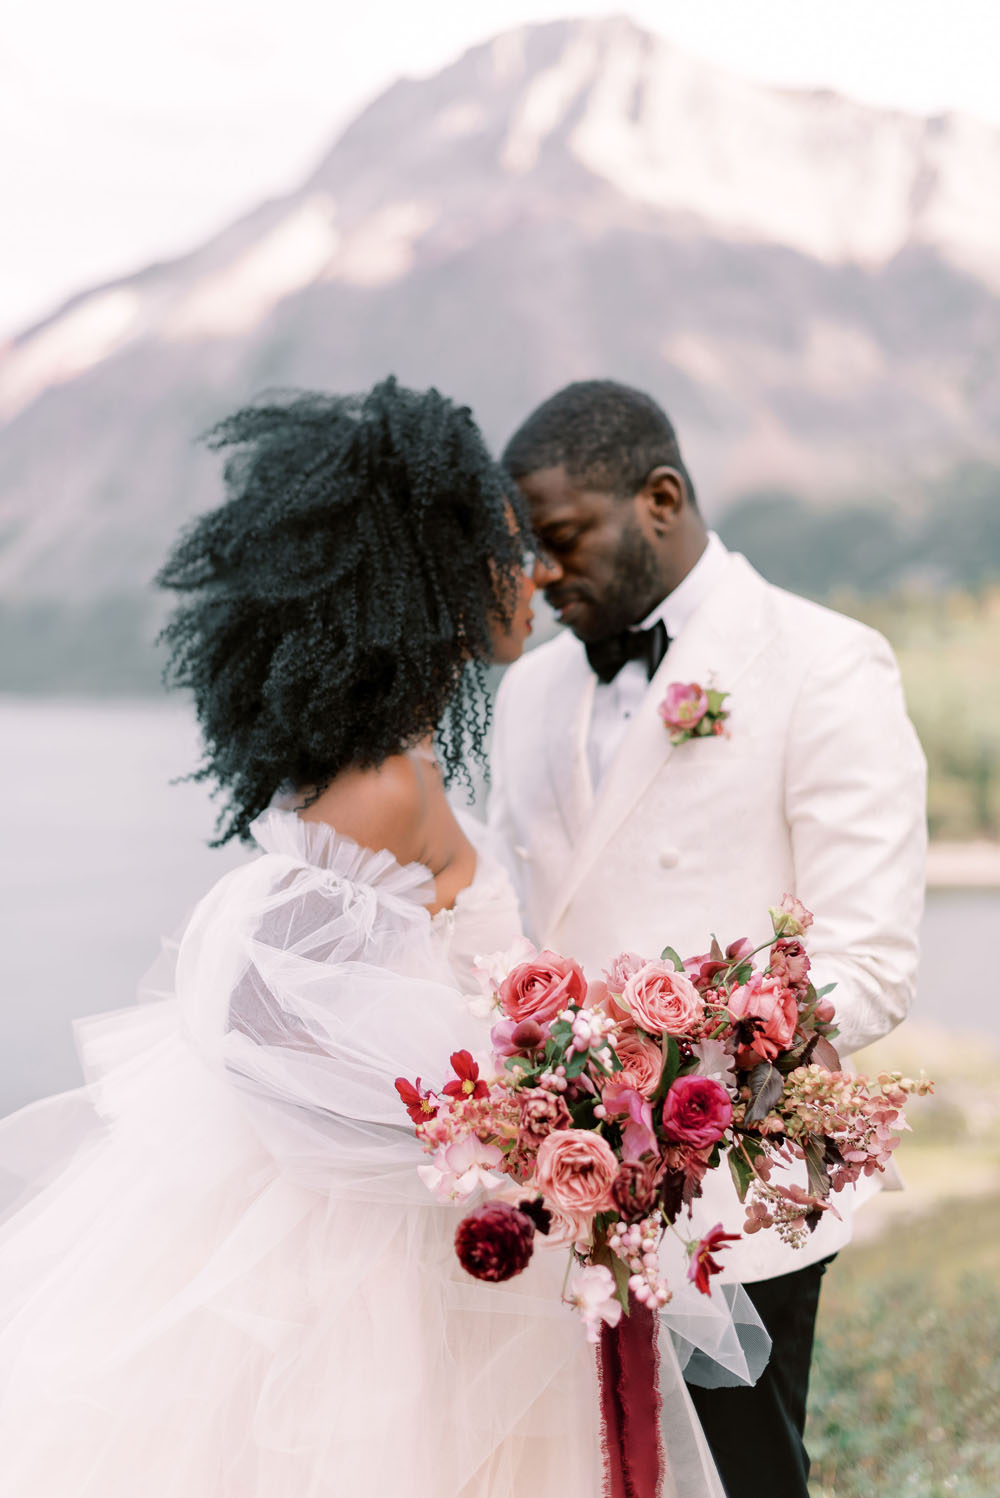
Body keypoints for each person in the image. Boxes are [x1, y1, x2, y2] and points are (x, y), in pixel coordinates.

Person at [0, 379, 746, 1498]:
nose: (534, 574)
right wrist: (491, 1128)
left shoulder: (398, 759)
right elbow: (254, 1004)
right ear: (436, 581)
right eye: (506, 553)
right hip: (363, 1272)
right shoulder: (385, 782)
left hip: (430, 1242)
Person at [489, 379, 927, 1498]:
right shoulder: (527, 694)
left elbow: (868, 957)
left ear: (661, 498)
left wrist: (663, 1071)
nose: (540, 577)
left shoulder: (824, 662)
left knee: (739, 1478)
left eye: (563, 538)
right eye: (527, 550)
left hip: (734, 1189)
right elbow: (510, 920)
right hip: (559, 1190)